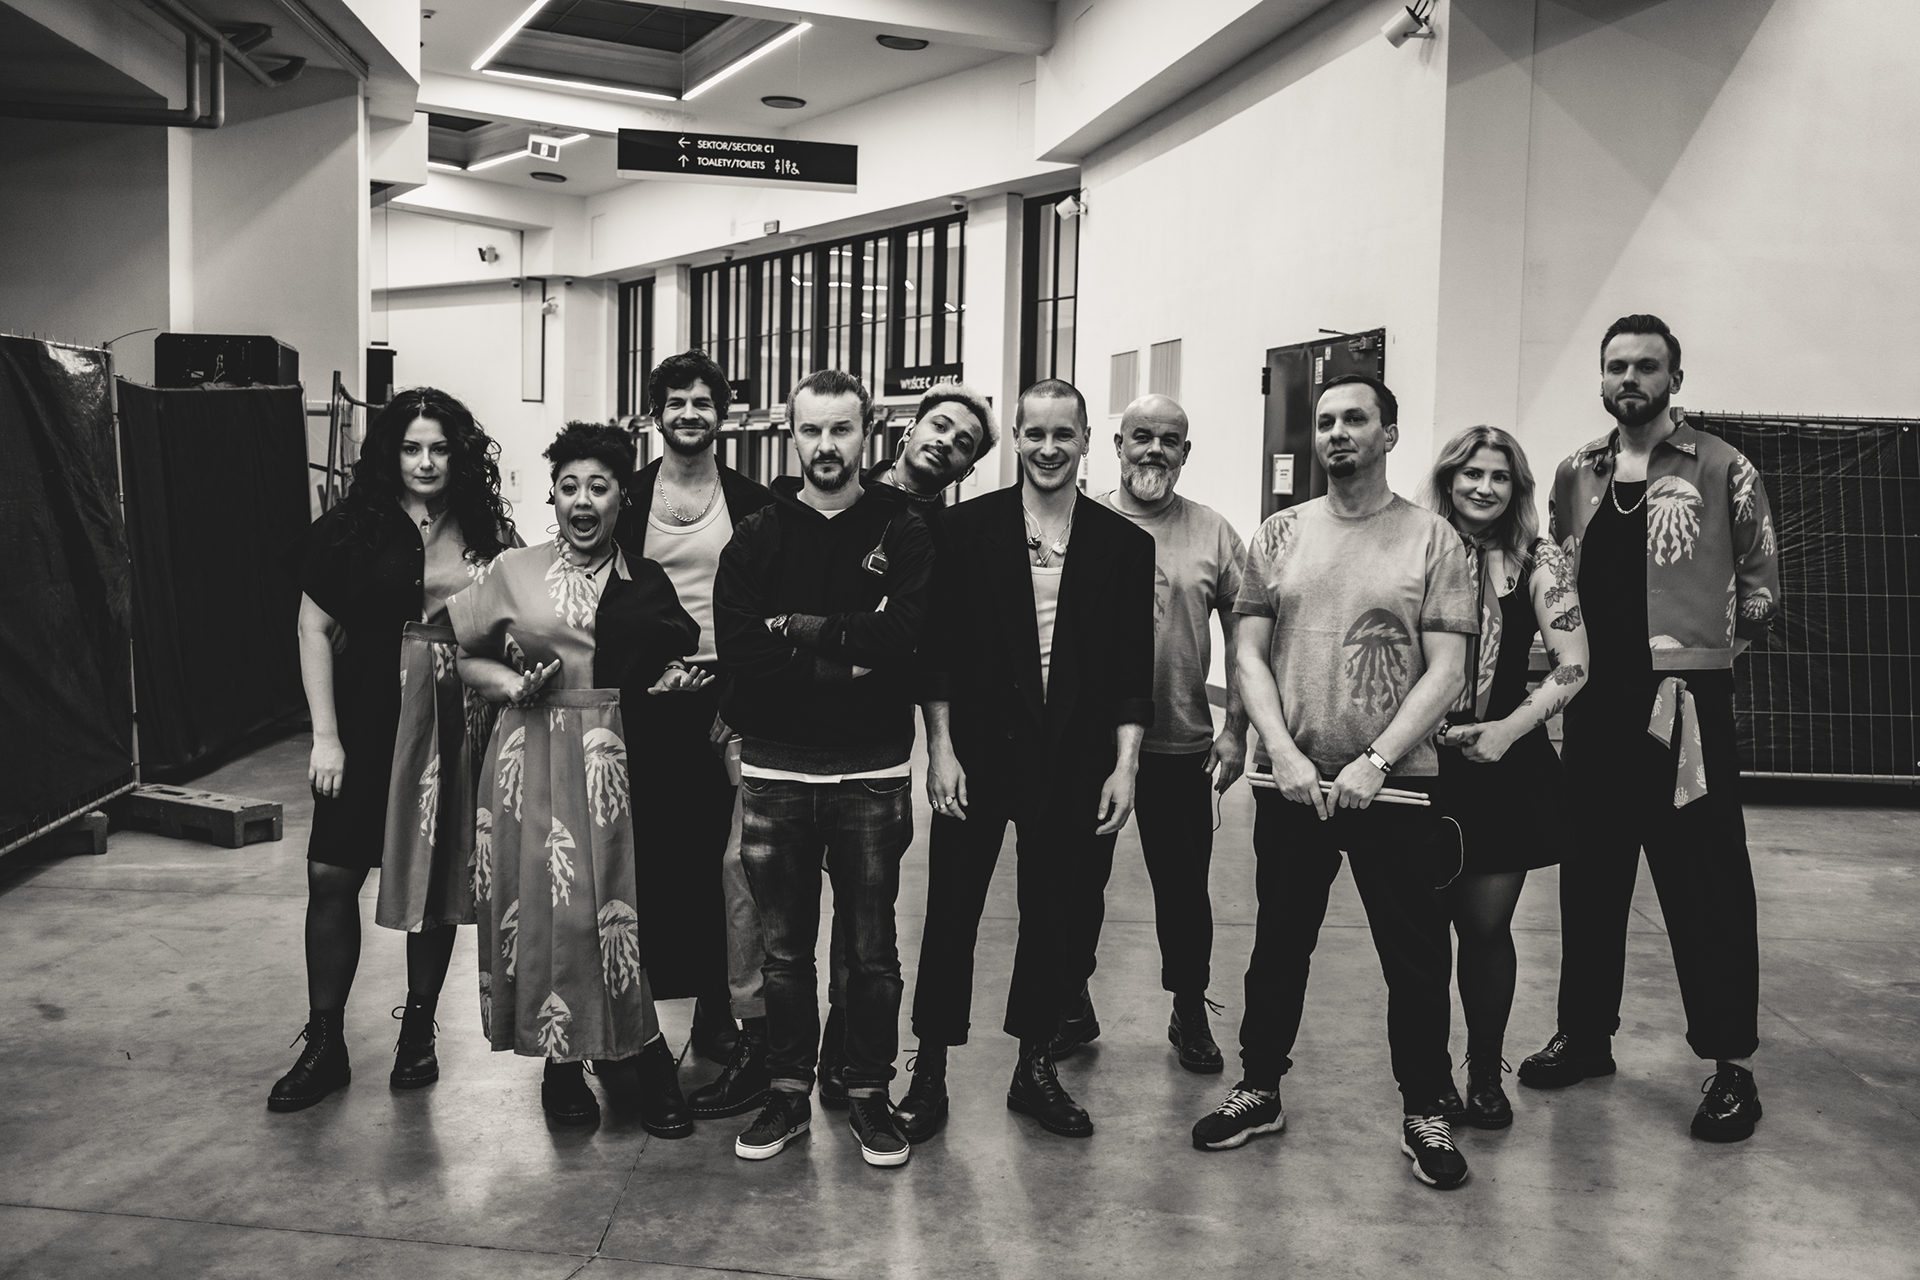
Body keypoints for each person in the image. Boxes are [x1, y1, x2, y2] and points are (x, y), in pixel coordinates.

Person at [1190, 374, 1479, 1192]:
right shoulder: (1278, 534)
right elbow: (1247, 654)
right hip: (1293, 788)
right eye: (1325, 422)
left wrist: (1376, 759)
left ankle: (1424, 1106)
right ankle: (1259, 1087)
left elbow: (1448, 671)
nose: (1338, 433)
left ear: (1390, 433)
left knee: (1415, 958)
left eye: (1356, 419)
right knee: (1279, 946)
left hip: (1396, 789)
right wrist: (1280, 752)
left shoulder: (1432, 540)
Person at [1519, 314, 1779, 1144]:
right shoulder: (1577, 471)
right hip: (1596, 708)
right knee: (1591, 875)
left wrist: (1702, 665)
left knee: (1705, 885)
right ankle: (1585, 1036)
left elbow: (1761, 585)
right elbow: (1554, 572)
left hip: (1684, 710)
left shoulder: (1723, 467)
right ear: (1601, 378)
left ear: (1674, 378)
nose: (1629, 378)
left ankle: (1731, 1067)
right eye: (1616, 366)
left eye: (1646, 366)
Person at [897, 378, 1155, 1143]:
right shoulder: (963, 531)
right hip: (977, 750)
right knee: (951, 913)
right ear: (1015, 438)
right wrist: (940, 751)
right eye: (1034, 433)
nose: (1048, 448)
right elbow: (937, 655)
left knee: (1054, 915)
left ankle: (1034, 1066)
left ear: (1085, 441)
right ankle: (930, 1069)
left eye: (1062, 434)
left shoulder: (1123, 546)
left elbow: (1130, 670)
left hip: (1073, 756)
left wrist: (1126, 765)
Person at [450, 423, 701, 1134]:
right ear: (553, 498)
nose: (582, 502)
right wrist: (508, 683)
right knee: (552, 914)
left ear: (623, 498)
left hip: (621, 763)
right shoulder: (512, 570)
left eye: (598, 487)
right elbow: (465, 652)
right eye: (568, 488)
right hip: (533, 755)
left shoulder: (647, 581)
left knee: (616, 912)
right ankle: (562, 1063)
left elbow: (671, 654)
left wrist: (674, 679)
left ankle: (640, 1049)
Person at [712, 369, 936, 1167]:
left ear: (867, 434)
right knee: (782, 953)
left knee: (871, 952)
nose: (826, 444)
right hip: (776, 772)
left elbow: (904, 637)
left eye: (841, 428)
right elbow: (742, 651)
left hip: (871, 773)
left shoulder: (903, 529)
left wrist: (797, 628)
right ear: (792, 434)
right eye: (811, 429)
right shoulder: (758, 534)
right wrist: (847, 655)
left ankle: (869, 1094)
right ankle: (786, 1094)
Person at [271, 387, 516, 1113]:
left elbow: (506, 625)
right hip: (365, 719)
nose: (425, 461)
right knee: (331, 874)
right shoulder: (351, 527)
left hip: (451, 722)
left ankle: (417, 1032)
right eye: (411, 448)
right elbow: (313, 629)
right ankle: (325, 1043)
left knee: (433, 891)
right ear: (390, 454)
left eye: (439, 448)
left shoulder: (484, 531)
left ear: (459, 455)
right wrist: (325, 735)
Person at [611, 352, 775, 1093]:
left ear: (721, 416)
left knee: (726, 863)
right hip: (646, 694)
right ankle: (636, 1015)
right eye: (676, 402)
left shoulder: (750, 501)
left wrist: (735, 683)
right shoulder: (627, 498)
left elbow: (764, 600)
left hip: (728, 695)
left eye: (702, 403)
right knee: (649, 856)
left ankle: (717, 1012)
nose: (689, 414)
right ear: (656, 414)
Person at [1425, 425, 1589, 1128]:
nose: (1484, 488)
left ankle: (1485, 1072)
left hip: (1503, 763)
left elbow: (1574, 664)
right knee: (1421, 935)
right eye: (1471, 474)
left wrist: (1506, 731)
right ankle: (1429, 1077)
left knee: (1485, 928)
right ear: (1449, 479)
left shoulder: (1536, 559)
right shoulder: (1415, 545)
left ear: (1516, 488)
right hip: (1420, 764)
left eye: (1499, 476)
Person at [1092, 393, 1249, 1074]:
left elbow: (1247, 639)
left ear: (1186, 451)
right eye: (1142, 436)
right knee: (1076, 884)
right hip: (1090, 746)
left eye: (1169, 440)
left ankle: (1190, 1006)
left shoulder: (1213, 532)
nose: (1154, 449)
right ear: (1118, 445)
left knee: (1184, 890)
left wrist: (1236, 727)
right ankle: (1070, 1000)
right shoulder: (1082, 519)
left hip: (1181, 741)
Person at [864, 382, 997, 513]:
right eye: (940, 426)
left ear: (965, 472)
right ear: (909, 430)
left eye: (962, 443)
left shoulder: (945, 527)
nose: (946, 442)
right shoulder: (852, 485)